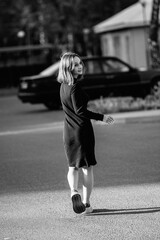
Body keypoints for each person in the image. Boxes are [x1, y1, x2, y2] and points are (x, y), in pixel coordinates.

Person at [57, 52, 114, 214]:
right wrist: (101, 117)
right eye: (75, 64)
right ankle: (86, 204)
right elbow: (80, 111)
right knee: (87, 168)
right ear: (68, 67)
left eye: (80, 62)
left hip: (68, 131)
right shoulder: (74, 86)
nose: (80, 66)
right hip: (81, 131)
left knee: (72, 167)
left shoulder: (63, 86)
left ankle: (74, 191)